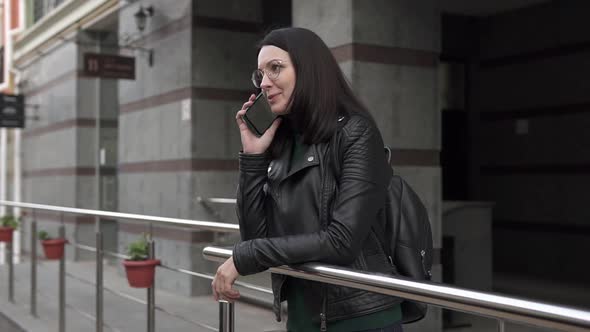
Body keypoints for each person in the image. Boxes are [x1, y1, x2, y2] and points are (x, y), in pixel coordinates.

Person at [211, 27, 403, 332]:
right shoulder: (284, 142)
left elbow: (342, 241)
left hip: (360, 319)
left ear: (309, 70)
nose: (264, 83)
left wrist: (246, 257)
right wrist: (252, 157)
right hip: (303, 317)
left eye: (276, 68)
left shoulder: (355, 133)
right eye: (259, 74)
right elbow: (253, 236)